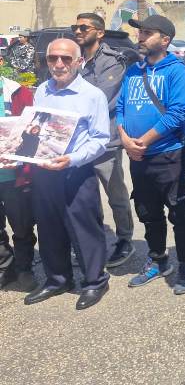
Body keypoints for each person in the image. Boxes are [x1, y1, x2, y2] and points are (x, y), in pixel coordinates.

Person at [20, 38, 111, 310]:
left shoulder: (92, 95)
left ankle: (95, 281)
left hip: (75, 171)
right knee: (49, 228)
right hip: (44, 172)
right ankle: (58, 279)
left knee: (84, 228)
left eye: (66, 58)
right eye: (53, 58)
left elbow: (100, 140)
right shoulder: (42, 91)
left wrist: (72, 159)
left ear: (79, 61)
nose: (58, 64)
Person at [116, 14, 185, 294]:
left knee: (178, 211)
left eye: (147, 33)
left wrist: (144, 141)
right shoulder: (132, 71)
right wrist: (125, 139)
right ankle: (158, 259)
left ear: (165, 40)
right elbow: (120, 108)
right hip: (138, 156)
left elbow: (178, 113)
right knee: (147, 212)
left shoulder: (177, 72)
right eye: (140, 32)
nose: (140, 37)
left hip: (168, 155)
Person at [73, 12, 135, 267]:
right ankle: (92, 242)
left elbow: (102, 98)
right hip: (76, 142)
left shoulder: (112, 60)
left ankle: (124, 239)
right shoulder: (72, 59)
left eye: (84, 27)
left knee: (115, 192)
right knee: (84, 195)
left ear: (99, 32)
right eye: (75, 27)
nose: (78, 31)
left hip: (104, 140)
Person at [0, 64, 36, 292]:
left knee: (22, 225)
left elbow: (36, 133)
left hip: (15, 175)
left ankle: (24, 268)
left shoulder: (19, 93)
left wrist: (21, 152)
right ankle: (6, 267)